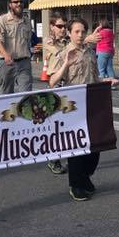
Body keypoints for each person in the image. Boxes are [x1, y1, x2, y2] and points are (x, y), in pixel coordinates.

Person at [49, 18, 114, 201]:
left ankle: (84, 176)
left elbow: (95, 77)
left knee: (96, 146)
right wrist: (66, 65)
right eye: (76, 31)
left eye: (83, 31)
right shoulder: (63, 53)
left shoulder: (90, 52)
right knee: (76, 148)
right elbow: (52, 81)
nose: (80, 35)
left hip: (92, 101)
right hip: (72, 105)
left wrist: (107, 81)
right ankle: (76, 185)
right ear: (69, 33)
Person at [42, 12, 70, 175]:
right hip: (55, 83)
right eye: (59, 26)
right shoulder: (48, 41)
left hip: (69, 83)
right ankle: (54, 160)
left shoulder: (67, 41)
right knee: (56, 125)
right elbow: (56, 51)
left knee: (68, 123)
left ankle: (68, 155)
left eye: (65, 26)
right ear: (52, 27)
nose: (62, 29)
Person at [0, 0, 33, 94]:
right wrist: (6, 55)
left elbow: (29, 41)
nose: (19, 4)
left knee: (26, 95)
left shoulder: (27, 21)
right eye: (15, 2)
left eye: (21, 1)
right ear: (10, 4)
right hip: (7, 63)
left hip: (24, 63)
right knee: (6, 95)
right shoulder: (2, 20)